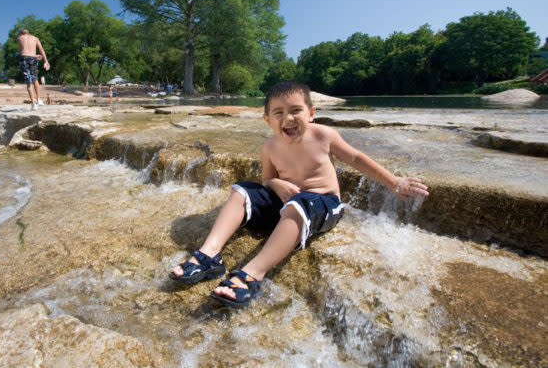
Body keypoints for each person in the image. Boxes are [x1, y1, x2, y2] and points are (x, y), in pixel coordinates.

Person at [169, 81, 429, 309]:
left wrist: (394, 182)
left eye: (296, 111)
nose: (288, 118)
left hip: (323, 204)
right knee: (241, 190)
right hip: (285, 205)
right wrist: (275, 185)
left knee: (300, 203)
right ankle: (209, 254)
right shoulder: (269, 147)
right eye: (279, 113)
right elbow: (267, 179)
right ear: (267, 120)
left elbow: (356, 157)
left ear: (311, 114)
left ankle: (252, 274)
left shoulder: (324, 136)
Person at [17, 28, 50, 110]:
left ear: (21, 33)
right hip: (33, 59)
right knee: (35, 79)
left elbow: (23, 52)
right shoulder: (35, 38)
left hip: (24, 59)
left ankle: (33, 103)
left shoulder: (19, 38)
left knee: (29, 82)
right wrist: (46, 61)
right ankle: (38, 99)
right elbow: (41, 49)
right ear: (28, 33)